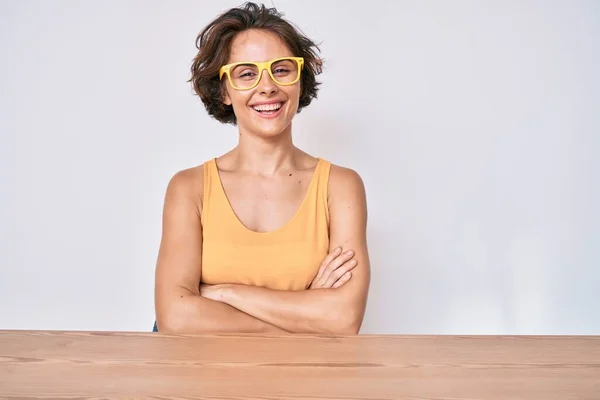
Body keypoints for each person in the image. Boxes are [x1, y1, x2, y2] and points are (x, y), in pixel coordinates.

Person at [153, 2, 370, 334]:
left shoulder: (340, 186)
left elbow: (343, 319)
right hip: (201, 381)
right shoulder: (189, 188)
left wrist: (224, 293)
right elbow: (175, 318)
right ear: (223, 90)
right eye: (246, 73)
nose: (267, 86)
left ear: (300, 80)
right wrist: (304, 316)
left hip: (303, 382)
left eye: (281, 69)